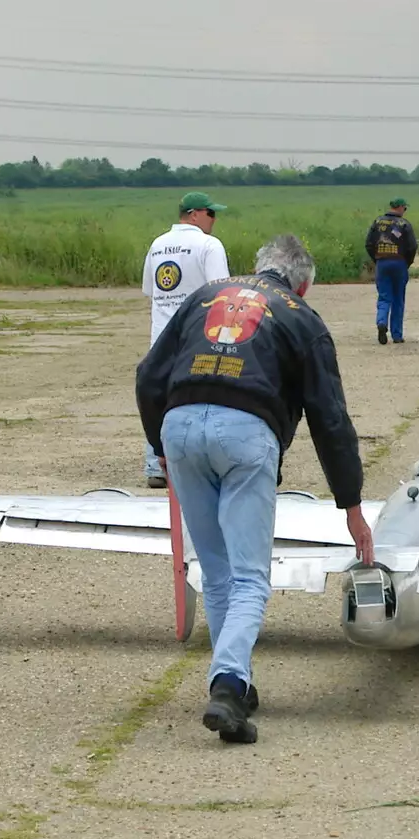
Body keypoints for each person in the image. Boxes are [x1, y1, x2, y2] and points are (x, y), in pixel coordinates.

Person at [136, 234, 374, 744]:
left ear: (258, 266)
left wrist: (160, 442)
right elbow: (330, 418)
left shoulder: (206, 296)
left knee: (217, 573)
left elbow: (149, 373)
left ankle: (236, 685)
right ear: (303, 284)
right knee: (249, 578)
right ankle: (226, 684)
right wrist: (350, 504)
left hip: (179, 425)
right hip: (246, 432)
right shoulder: (302, 317)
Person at [141, 191, 231, 488]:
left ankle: (156, 465)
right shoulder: (209, 245)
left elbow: (151, 292)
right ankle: (202, 463)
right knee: (201, 398)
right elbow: (222, 294)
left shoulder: (157, 245)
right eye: (211, 214)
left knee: (161, 399)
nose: (214, 220)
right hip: (197, 336)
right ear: (194, 214)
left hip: (161, 336)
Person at [365, 197, 418, 345]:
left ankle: (381, 322)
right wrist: (407, 262)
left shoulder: (377, 222)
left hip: (382, 262)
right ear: (400, 207)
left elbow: (369, 243)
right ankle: (397, 335)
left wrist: (377, 259)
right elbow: (412, 246)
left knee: (384, 296)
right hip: (399, 262)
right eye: (405, 208)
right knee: (398, 299)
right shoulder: (404, 224)